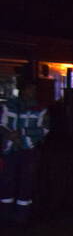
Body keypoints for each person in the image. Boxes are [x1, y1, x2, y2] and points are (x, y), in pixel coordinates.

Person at [0, 82, 49, 224]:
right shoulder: (8, 106)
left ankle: (22, 216)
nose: (32, 92)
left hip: (29, 150)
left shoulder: (40, 109)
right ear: (22, 90)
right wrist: (8, 135)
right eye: (29, 89)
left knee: (26, 182)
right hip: (10, 150)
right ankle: (5, 214)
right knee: (7, 181)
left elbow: (44, 129)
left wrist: (21, 133)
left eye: (34, 89)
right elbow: (1, 124)